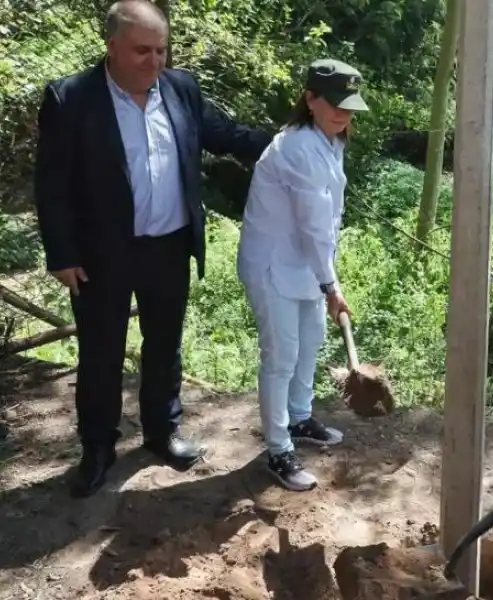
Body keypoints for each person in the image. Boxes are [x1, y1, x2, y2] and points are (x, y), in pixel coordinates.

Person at [33, 0, 272, 499]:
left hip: (169, 246)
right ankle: (98, 448)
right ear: (112, 46)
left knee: (164, 344)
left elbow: (227, 136)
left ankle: (162, 434)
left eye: (161, 50)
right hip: (101, 253)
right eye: (142, 50)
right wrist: (62, 253)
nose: (154, 61)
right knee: (101, 352)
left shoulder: (181, 90)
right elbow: (51, 183)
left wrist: (292, 137)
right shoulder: (71, 99)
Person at [236, 59, 368, 492]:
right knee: (281, 357)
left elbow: (327, 222)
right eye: (335, 104)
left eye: (350, 107)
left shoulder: (330, 142)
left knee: (310, 342)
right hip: (275, 265)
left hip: (307, 264)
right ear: (310, 99)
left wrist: (327, 278)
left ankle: (299, 417)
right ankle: (278, 450)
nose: (344, 114)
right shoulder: (295, 148)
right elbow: (312, 224)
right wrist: (332, 286)